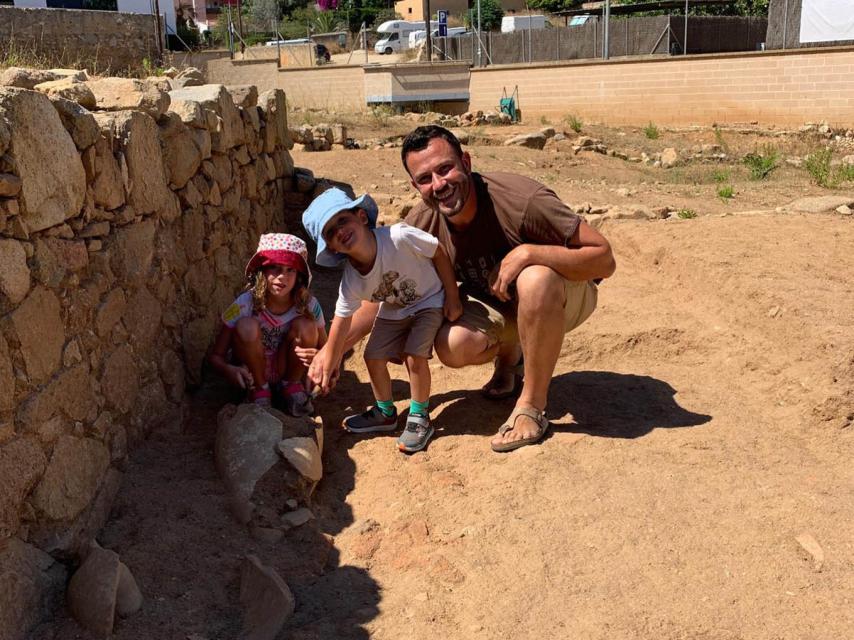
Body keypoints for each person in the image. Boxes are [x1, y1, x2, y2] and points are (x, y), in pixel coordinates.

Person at [340, 125, 617, 452]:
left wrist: (529, 253)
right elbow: (386, 290)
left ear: (466, 162)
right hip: (501, 304)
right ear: (415, 186)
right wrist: (328, 351)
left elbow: (604, 259)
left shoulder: (521, 200)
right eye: (425, 178)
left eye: (445, 169)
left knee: (534, 277)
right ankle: (509, 358)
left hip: (564, 298)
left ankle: (531, 406)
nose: (439, 185)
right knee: (452, 344)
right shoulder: (423, 222)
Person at [303, 187, 462, 453]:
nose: (339, 231)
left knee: (414, 355)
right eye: (330, 232)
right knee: (372, 356)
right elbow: (341, 322)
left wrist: (452, 296)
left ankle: (419, 416)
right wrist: (327, 366)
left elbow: (438, 252)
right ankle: (386, 412)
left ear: (362, 217)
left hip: (428, 300)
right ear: (331, 247)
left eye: (343, 220)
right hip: (394, 308)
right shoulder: (352, 280)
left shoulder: (398, 236)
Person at [209, 233, 326, 416]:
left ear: (299, 276)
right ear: (261, 272)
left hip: (285, 365)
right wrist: (228, 370)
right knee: (246, 326)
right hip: (251, 370)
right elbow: (216, 355)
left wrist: (318, 358)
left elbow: (327, 350)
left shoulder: (309, 305)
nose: (282, 277)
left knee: (307, 327)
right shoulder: (245, 303)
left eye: (290, 270)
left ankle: (291, 386)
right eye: (274, 268)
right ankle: (259, 389)